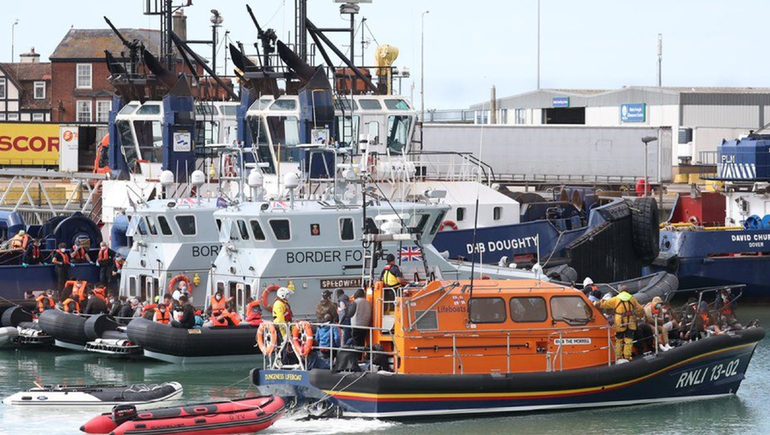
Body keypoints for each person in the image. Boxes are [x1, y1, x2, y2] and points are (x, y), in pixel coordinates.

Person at [596, 287, 644, 363]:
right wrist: (640, 316)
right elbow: (640, 309)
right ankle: (627, 356)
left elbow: (605, 303)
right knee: (629, 339)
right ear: (627, 291)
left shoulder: (616, 299)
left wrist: (596, 303)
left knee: (619, 339)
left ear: (620, 291)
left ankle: (618, 356)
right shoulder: (632, 299)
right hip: (630, 321)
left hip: (620, 322)